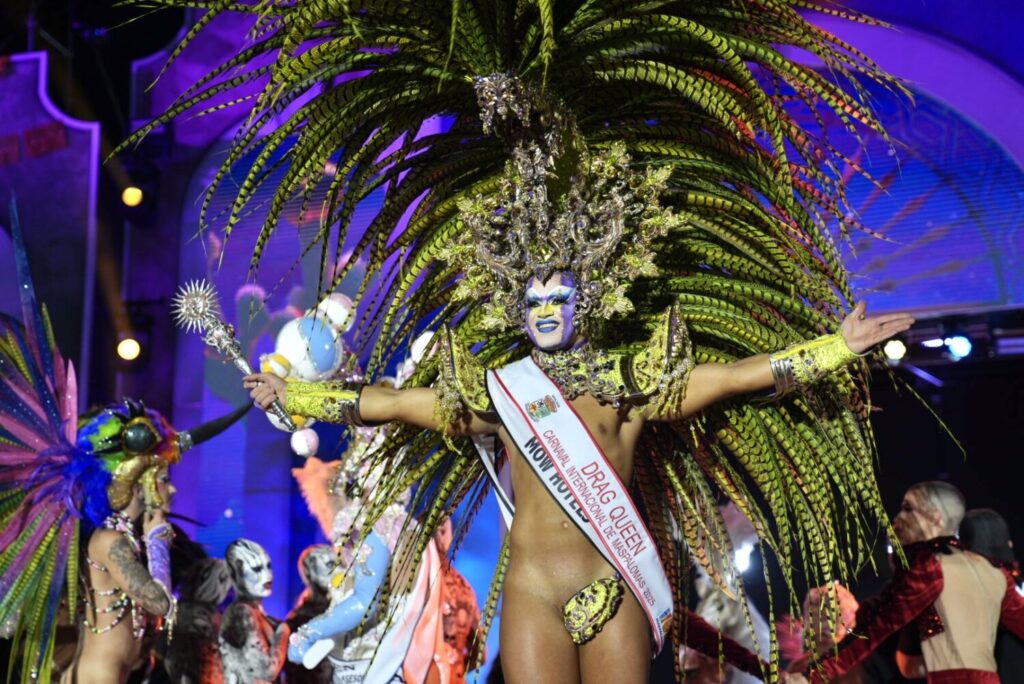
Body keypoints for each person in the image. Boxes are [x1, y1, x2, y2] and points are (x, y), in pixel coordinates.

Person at [132, 2, 916, 681]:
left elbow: (739, 376)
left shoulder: (628, 380)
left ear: (590, 295)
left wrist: (836, 347)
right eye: (532, 294)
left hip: (615, 581)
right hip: (533, 589)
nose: (544, 306)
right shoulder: (503, 390)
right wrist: (300, 395)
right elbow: (399, 403)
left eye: (559, 292)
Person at [790, 482, 1024, 683]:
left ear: (935, 518)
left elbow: (874, 632)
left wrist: (811, 675)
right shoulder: (993, 573)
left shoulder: (926, 570)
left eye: (907, 509)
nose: (897, 519)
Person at [220, 538, 290, 684]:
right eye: (257, 569)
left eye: (268, 566)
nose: (267, 575)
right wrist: (284, 633)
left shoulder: (255, 612)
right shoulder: (241, 612)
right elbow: (267, 671)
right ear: (236, 574)